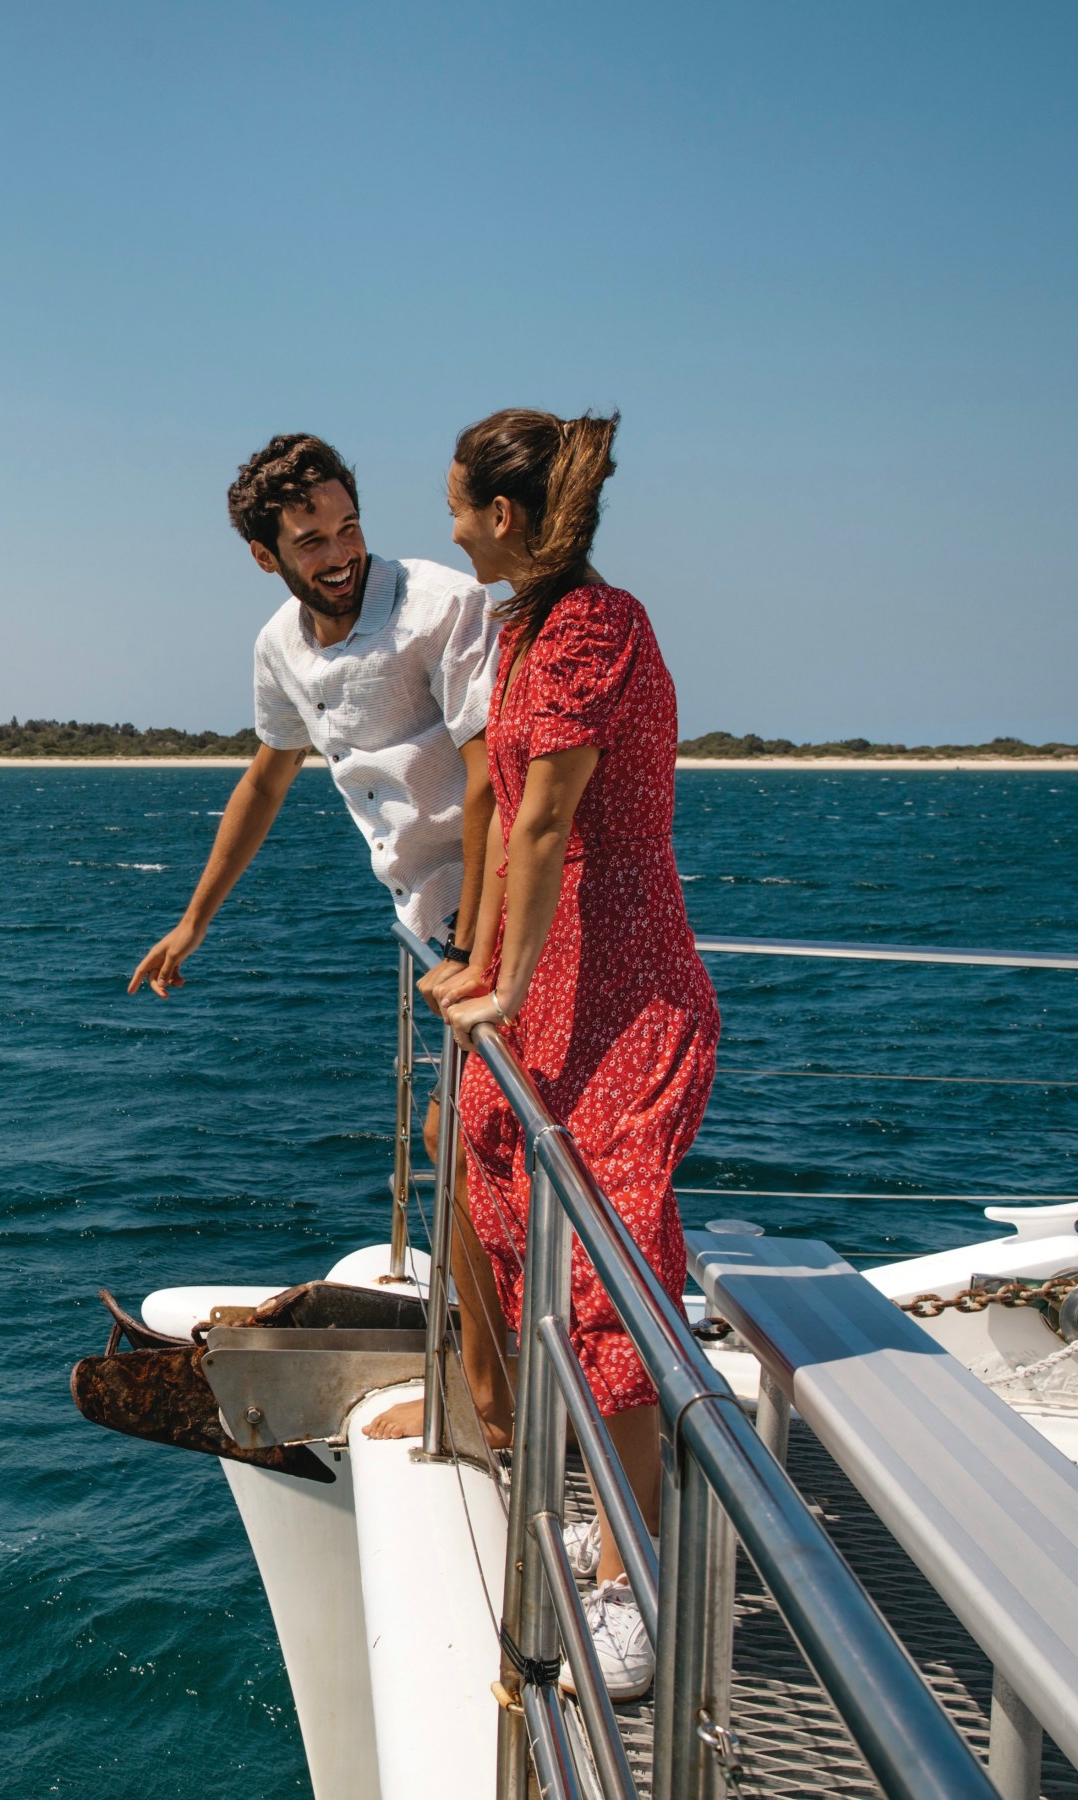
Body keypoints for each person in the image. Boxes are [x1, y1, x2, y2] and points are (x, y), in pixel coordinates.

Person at [130, 431, 514, 1444]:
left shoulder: (441, 604)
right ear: (269, 554)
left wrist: (482, 934)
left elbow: (491, 773)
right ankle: (506, 1361)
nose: (338, 551)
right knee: (467, 1145)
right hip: (434, 932)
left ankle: (492, 1397)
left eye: (347, 527)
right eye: (310, 540)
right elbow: (266, 778)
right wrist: (193, 920)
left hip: (503, 921)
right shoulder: (279, 648)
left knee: (465, 1146)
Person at [438, 407, 721, 1702]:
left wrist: (494, 982)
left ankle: (637, 1587)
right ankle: (592, 1509)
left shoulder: (592, 632)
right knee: (507, 1202)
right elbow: (499, 828)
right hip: (555, 989)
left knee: (611, 1287)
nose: (447, 528)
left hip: (626, 998)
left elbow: (549, 819)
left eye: (458, 506)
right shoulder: (528, 628)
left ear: (503, 518)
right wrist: (485, 963)